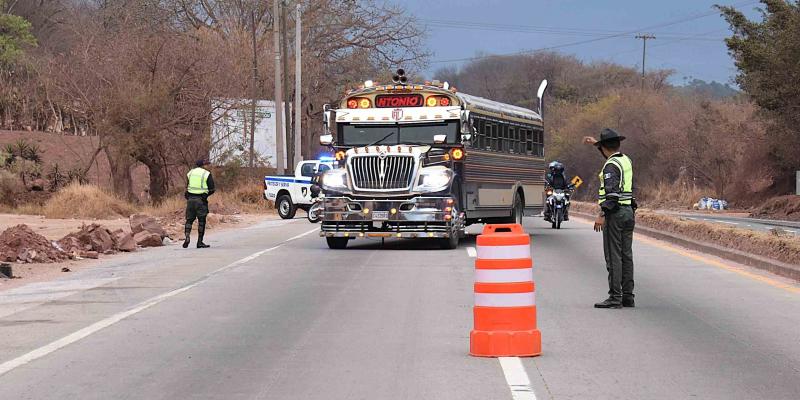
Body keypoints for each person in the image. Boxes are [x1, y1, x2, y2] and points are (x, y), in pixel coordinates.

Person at [583, 129, 636, 309]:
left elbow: (612, 194)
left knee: (613, 257)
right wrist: (596, 144)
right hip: (628, 211)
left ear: (605, 148)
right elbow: (610, 157)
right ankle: (628, 296)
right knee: (626, 256)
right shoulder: (625, 160)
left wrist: (602, 214)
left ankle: (615, 297)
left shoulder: (610, 166)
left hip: (616, 213)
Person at [183, 159, 215, 249]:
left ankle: (187, 236)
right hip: (201, 200)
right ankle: (199, 241)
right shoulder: (206, 174)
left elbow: (187, 186)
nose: (208, 166)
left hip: (190, 200)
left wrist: (188, 196)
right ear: (203, 165)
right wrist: (205, 195)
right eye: (207, 164)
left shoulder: (190, 173)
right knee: (201, 221)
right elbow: (212, 189)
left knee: (189, 220)